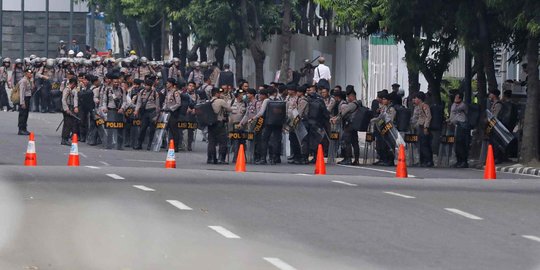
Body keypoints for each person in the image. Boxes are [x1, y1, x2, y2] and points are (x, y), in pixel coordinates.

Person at [331, 87, 361, 165]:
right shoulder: (359, 103)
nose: (348, 98)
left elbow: (343, 113)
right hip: (355, 125)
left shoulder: (352, 104)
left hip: (349, 125)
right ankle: (356, 159)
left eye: (349, 97)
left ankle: (348, 159)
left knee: (346, 141)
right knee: (355, 142)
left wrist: (335, 119)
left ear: (352, 96)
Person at [134, 79, 160, 150]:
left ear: (151, 86)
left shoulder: (155, 93)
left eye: (148, 85)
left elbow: (157, 105)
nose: (146, 87)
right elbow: (139, 102)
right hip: (144, 112)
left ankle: (150, 144)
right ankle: (139, 144)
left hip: (152, 112)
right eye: (145, 85)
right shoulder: (141, 92)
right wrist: (136, 110)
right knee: (142, 128)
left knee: (152, 129)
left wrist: (157, 115)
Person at [207, 87, 232, 164]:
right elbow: (229, 109)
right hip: (219, 123)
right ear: (217, 93)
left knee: (211, 141)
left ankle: (211, 158)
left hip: (210, 124)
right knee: (223, 141)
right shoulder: (220, 101)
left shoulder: (208, 101)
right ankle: (221, 158)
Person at [372, 93, 397, 166]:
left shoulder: (391, 109)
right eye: (382, 99)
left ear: (389, 101)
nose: (383, 100)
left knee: (389, 145)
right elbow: (380, 117)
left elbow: (390, 119)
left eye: (385, 99)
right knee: (382, 144)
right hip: (383, 128)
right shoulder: (384, 108)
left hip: (389, 128)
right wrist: (375, 120)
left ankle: (389, 160)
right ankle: (383, 159)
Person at [411, 92, 433, 167]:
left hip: (424, 126)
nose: (414, 100)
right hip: (419, 127)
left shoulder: (425, 106)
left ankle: (428, 161)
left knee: (425, 144)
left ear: (420, 99)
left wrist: (426, 127)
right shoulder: (417, 106)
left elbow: (428, 116)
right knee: (420, 144)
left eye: (416, 98)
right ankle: (422, 161)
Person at [449, 92, 469, 168]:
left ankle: (463, 161)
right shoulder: (454, 104)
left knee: (461, 144)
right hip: (455, 125)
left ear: (460, 98)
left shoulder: (462, 105)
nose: (455, 98)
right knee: (457, 145)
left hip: (462, 125)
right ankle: (459, 161)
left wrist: (455, 103)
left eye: (456, 97)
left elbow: (456, 110)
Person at [162, 78, 182, 152]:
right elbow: (165, 102)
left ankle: (176, 147)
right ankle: (169, 145)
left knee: (174, 131)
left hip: (173, 114)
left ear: (171, 84)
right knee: (168, 130)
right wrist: (163, 109)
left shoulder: (175, 92)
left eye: (167, 83)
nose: (166, 84)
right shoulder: (168, 92)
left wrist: (170, 108)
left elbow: (178, 103)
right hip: (167, 113)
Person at [61, 78, 80, 145]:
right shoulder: (67, 89)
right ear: (72, 83)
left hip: (71, 107)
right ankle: (64, 139)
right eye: (74, 84)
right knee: (67, 124)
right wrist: (67, 109)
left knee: (69, 123)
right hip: (67, 107)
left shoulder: (73, 90)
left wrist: (75, 107)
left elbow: (75, 98)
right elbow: (63, 100)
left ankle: (65, 138)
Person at [18, 69, 34, 135]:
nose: (30, 74)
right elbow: (21, 92)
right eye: (29, 73)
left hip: (28, 98)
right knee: (23, 114)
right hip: (24, 99)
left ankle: (24, 128)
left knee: (26, 114)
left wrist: (32, 80)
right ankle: (21, 129)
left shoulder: (29, 80)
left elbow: (32, 87)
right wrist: (22, 102)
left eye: (31, 73)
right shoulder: (23, 81)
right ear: (25, 73)